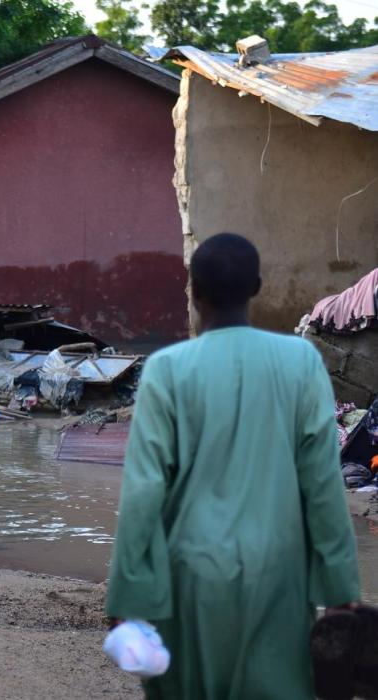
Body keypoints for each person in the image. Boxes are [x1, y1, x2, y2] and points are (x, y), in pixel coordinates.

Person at [105, 232, 359, 698]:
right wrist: (340, 589)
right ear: (257, 286)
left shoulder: (167, 369)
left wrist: (127, 595)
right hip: (280, 576)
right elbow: (322, 485)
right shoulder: (301, 362)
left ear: (194, 291)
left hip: (188, 578)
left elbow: (143, 491)